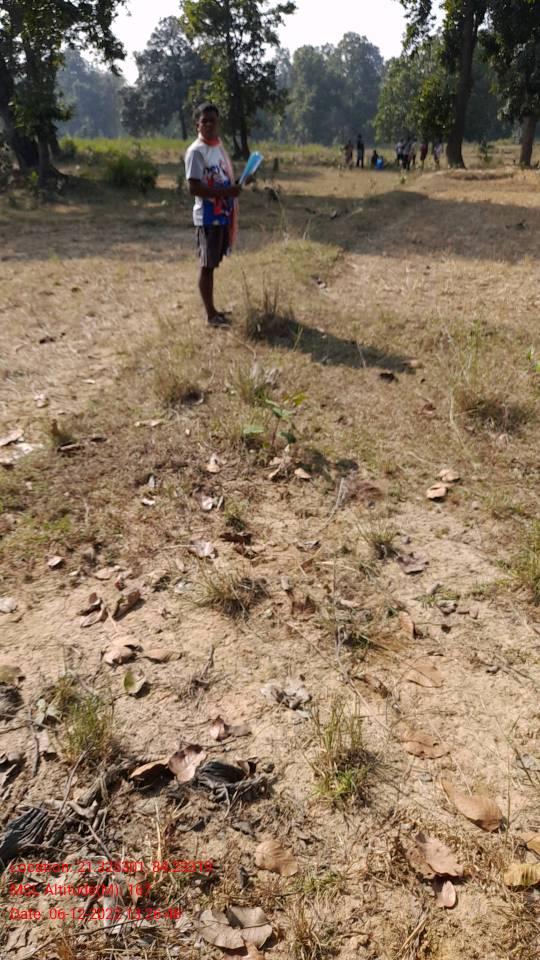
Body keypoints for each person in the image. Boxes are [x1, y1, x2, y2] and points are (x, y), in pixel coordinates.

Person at [185, 102, 242, 327]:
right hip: (207, 217)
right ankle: (210, 316)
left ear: (218, 124)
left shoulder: (218, 148)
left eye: (213, 121)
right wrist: (226, 193)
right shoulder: (196, 151)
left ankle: (214, 311)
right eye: (204, 121)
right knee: (207, 266)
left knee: (213, 264)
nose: (209, 125)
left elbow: (221, 178)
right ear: (197, 125)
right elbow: (194, 188)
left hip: (221, 215)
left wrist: (239, 183)